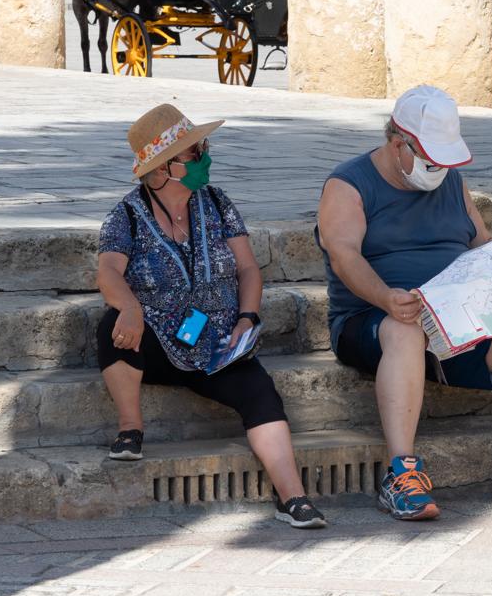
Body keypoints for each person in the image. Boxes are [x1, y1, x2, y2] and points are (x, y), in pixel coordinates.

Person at [316, 85, 492, 521]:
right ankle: (400, 472)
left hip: (454, 321)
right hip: (373, 319)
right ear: (399, 145)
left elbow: (479, 246)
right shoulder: (349, 185)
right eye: (431, 160)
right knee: (404, 329)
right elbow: (344, 256)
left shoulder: (450, 181)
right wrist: (386, 298)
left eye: (445, 161)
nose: (440, 170)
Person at [96, 104, 326, 529]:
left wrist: (247, 318)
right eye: (193, 152)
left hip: (216, 341)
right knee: (112, 326)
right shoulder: (126, 214)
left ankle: (292, 497)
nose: (204, 156)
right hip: (157, 340)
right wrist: (129, 306)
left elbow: (248, 269)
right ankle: (131, 429)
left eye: (202, 146)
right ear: (164, 168)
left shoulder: (218, 203)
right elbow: (108, 270)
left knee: (261, 393)